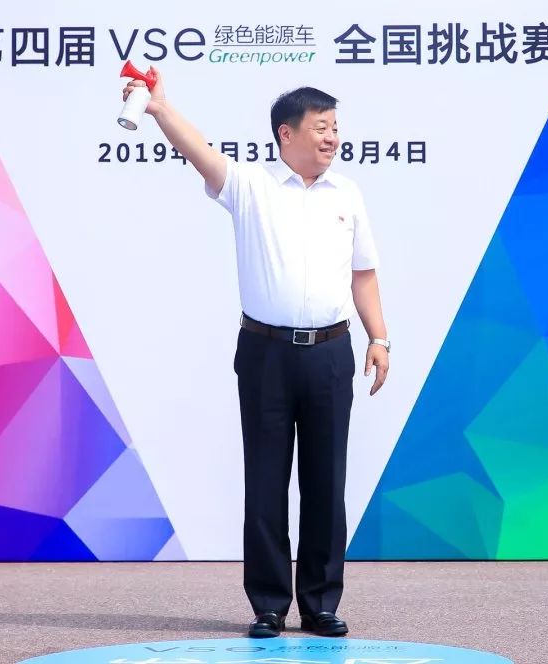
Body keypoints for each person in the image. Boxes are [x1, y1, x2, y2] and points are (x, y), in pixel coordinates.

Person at [123, 68, 389, 639]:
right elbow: (198, 152)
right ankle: (268, 603)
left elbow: (363, 273)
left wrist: (379, 337)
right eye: (321, 127)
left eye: (335, 127)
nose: (332, 137)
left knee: (327, 482)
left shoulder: (347, 194)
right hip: (265, 353)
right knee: (265, 481)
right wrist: (160, 108)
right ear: (285, 133)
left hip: (330, 353)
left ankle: (320, 603)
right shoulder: (251, 185)